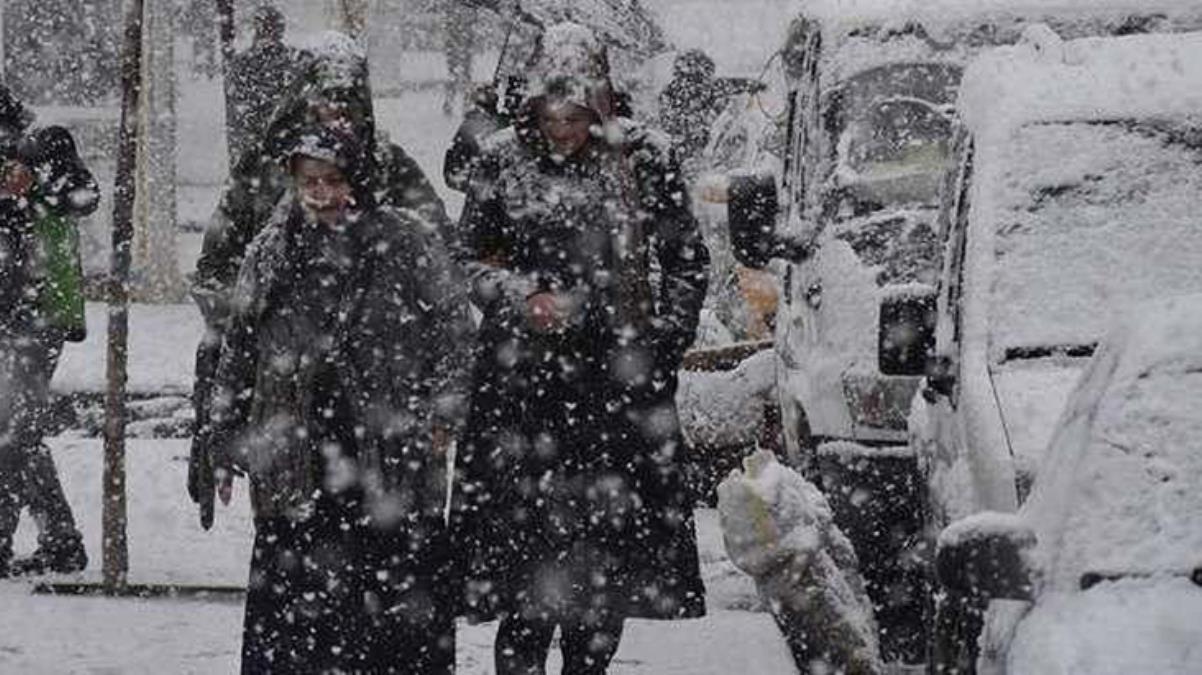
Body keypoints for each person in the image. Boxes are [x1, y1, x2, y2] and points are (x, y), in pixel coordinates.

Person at [454, 22, 710, 674]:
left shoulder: (643, 158)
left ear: (599, 104)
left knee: (602, 578)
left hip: (614, 394)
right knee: (524, 577)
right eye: (551, 116)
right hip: (521, 393)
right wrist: (521, 296)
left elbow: (686, 260)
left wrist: (658, 344)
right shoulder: (502, 159)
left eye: (575, 116)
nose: (562, 130)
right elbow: (468, 259)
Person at [206, 126, 473, 673]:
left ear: (358, 181)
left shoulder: (406, 241)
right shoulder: (272, 250)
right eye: (310, 181)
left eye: (333, 180)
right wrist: (225, 435)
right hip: (296, 447)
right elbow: (238, 346)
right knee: (299, 602)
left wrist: (445, 406)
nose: (322, 193)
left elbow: (454, 327)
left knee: (392, 593)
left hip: (389, 444)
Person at [189, 32, 452, 528]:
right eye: (324, 103)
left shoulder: (390, 167)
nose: (336, 116)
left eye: (347, 105)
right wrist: (261, 319)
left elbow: (441, 262)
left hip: (377, 388)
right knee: (293, 520)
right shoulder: (263, 168)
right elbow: (215, 269)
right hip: (285, 385)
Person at [0, 90, 100, 578]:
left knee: (12, 429)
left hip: (37, 313)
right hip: (10, 310)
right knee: (16, 432)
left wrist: (34, 179)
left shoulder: (43, 141)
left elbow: (84, 195)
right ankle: (61, 542)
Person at [224, 5, 302, 168]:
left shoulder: (293, 60)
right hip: (269, 142)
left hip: (275, 142)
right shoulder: (292, 60)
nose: (270, 31)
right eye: (267, 26)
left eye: (272, 26)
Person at [657, 49, 723, 166]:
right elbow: (667, 122)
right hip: (678, 150)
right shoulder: (669, 93)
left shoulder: (711, 93)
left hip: (698, 149)